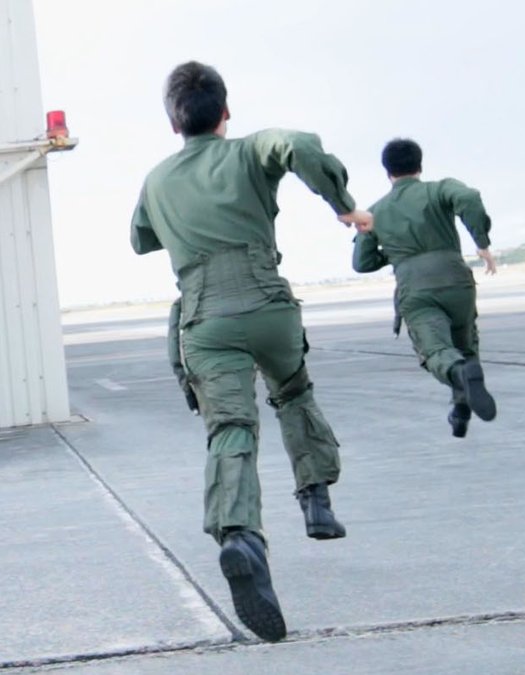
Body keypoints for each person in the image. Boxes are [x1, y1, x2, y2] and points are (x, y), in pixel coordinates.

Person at [131, 61, 372, 642]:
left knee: (231, 430)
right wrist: (343, 205)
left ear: (173, 123)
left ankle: (241, 537)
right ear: (226, 111)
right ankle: (316, 500)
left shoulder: (156, 179)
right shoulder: (248, 151)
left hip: (205, 318)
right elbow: (299, 145)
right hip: (267, 303)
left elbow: (141, 239)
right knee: (293, 391)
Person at [351, 138, 498, 438]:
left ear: (387, 171)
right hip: (456, 280)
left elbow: (362, 263)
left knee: (436, 351)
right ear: (419, 165)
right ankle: (461, 409)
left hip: (416, 289)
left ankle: (459, 375)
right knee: (465, 346)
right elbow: (468, 197)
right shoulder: (440, 189)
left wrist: (394, 252)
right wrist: (481, 243)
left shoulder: (374, 212)